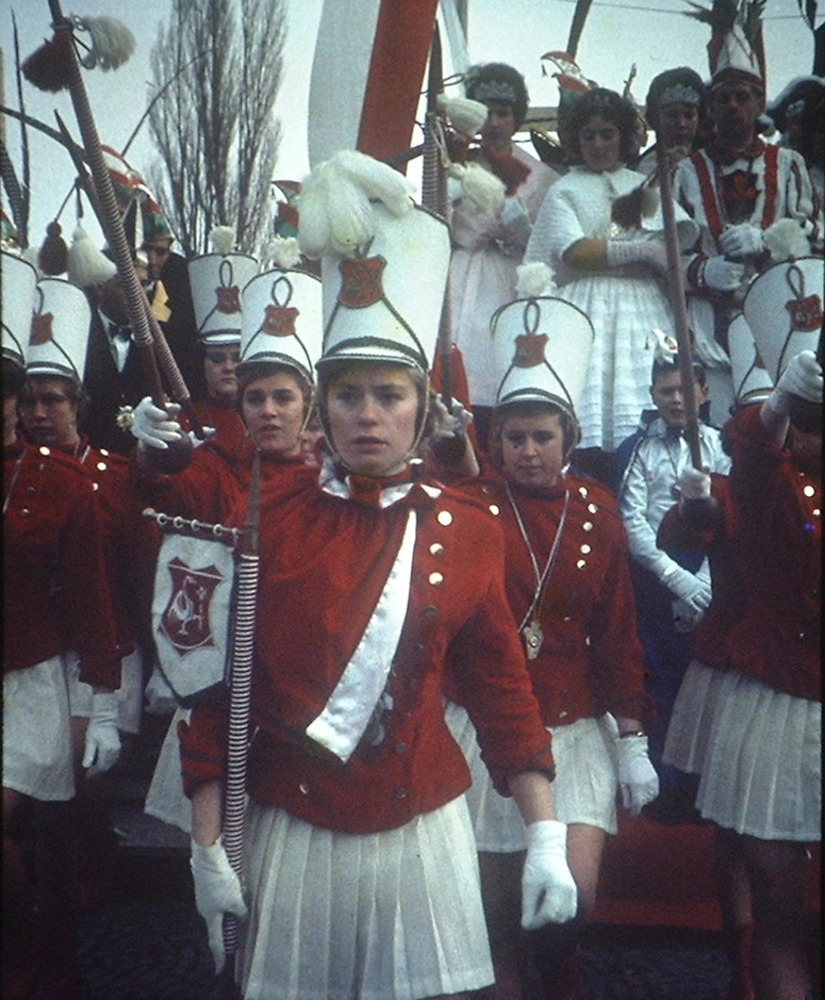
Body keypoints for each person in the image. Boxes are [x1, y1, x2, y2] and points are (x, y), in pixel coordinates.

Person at [137, 151, 579, 1000]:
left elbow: (501, 694)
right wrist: (204, 843)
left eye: (388, 395)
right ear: (323, 406)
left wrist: (546, 834)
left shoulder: (467, 529)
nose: (368, 415)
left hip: (421, 822)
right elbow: (213, 691)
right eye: (347, 396)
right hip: (294, 822)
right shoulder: (268, 518)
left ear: (422, 408)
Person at [445, 274, 658, 1000]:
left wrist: (631, 734)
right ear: (495, 440)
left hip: (572, 722)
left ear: (569, 438)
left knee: (576, 899)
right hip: (483, 727)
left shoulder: (596, 510)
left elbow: (618, 630)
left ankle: (559, 968)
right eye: (515, 437)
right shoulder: (469, 504)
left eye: (542, 436)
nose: (528, 451)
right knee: (496, 920)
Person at [140, 248, 324, 833]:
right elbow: (166, 494)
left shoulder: (337, 481)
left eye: (282, 398)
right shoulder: (217, 464)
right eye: (255, 398)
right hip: (226, 681)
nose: (268, 411)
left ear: (308, 404)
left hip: (304, 684)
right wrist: (151, 453)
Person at [660, 340, 821, 1000]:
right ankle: (742, 970)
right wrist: (694, 510)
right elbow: (683, 534)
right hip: (758, 687)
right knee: (752, 873)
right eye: (800, 422)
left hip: (776, 685)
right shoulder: (760, 490)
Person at [3, 251, 123, 999]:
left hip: (31, 684)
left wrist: (101, 704)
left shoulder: (65, 483)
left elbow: (93, 598)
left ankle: (30, 959)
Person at [524, 86, 699, 485]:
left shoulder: (644, 183)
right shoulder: (565, 188)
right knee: (587, 404)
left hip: (643, 309)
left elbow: (674, 244)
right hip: (585, 305)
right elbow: (574, 252)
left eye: (607, 134)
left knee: (643, 406)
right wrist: (640, 252)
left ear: (623, 136)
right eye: (589, 136)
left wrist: (653, 254)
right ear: (576, 140)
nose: (599, 144)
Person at [672, 22, 822, 428]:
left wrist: (769, 240)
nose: (733, 106)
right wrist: (704, 270)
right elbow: (667, 253)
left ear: (759, 104)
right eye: (723, 98)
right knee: (722, 421)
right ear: (710, 108)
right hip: (710, 319)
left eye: (743, 97)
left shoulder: (788, 165)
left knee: (780, 420)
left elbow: (818, 236)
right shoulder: (686, 171)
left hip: (781, 313)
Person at [615, 333, 731, 822]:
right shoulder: (638, 449)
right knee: (661, 680)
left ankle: (707, 792)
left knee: (706, 683)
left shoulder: (720, 445)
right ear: (653, 396)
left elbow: (732, 514)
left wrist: (705, 576)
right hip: (655, 581)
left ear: (703, 392)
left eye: (686, 389)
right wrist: (674, 576)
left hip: (713, 576)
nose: (677, 399)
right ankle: (665, 791)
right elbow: (631, 519)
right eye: (666, 391)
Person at [449, 61, 559, 448]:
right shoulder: (457, 164)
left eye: (503, 113)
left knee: (505, 364)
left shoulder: (540, 174)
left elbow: (549, 241)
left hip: (513, 277)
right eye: (485, 113)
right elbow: (446, 223)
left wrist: (518, 228)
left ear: (517, 117)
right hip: (465, 274)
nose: (493, 123)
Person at [635, 66, 707, 177]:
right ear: (655, 119)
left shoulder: (714, 163)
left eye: (689, 115)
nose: (682, 123)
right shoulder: (641, 169)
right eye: (672, 115)